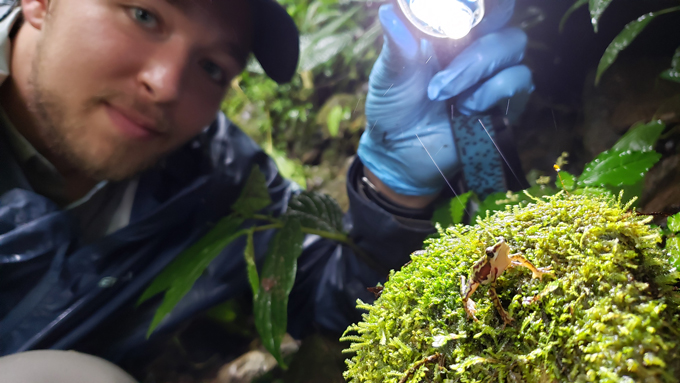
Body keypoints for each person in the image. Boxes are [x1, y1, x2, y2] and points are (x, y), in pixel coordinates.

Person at [0, 0, 532, 380]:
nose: (165, 85)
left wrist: (393, 186)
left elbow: (333, 293)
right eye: (145, 15)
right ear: (40, 3)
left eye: (212, 66)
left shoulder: (215, 174)